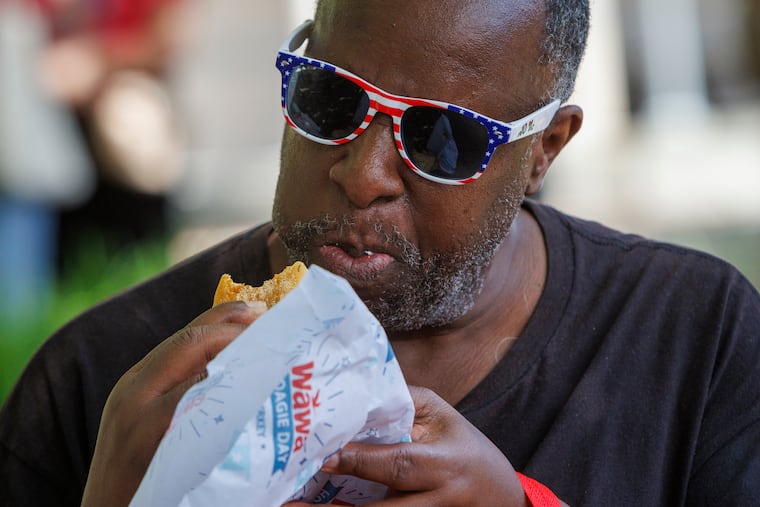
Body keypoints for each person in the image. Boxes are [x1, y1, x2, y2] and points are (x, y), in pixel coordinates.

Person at [1, 0, 759, 505]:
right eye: (330, 99)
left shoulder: (699, 341)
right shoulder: (102, 387)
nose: (361, 176)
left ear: (544, 150)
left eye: (441, 138)